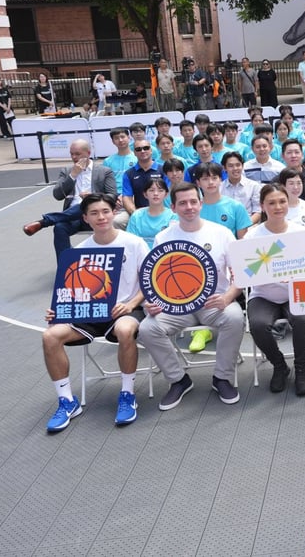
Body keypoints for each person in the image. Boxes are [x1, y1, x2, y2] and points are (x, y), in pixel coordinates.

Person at [40, 193, 149, 432]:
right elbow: (70, 290)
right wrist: (57, 309)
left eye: (105, 212)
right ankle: (67, 401)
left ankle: (127, 394)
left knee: (124, 329)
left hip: (125, 309)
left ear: (113, 213)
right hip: (88, 313)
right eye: (94, 213)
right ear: (85, 218)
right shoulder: (79, 251)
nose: (101, 217)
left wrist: (132, 303)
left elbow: (148, 283)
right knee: (50, 336)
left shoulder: (134, 243)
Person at [138, 182, 246, 410]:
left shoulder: (221, 233)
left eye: (193, 201)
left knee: (235, 318)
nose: (189, 207)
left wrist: (227, 297)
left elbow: (242, 275)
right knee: (148, 328)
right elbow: (154, 281)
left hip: (213, 302)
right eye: (183, 203)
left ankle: (222, 378)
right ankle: (178, 380)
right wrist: (152, 303)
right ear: (174, 207)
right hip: (176, 307)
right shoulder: (163, 238)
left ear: (201, 203)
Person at [244, 184, 305, 395]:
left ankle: (301, 369)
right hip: (264, 294)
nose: (278, 207)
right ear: (262, 206)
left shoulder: (301, 232)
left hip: (299, 288)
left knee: (301, 319)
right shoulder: (252, 236)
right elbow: (247, 272)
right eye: (271, 203)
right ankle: (279, 365)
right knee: (257, 324)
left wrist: (296, 277)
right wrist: (269, 275)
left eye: (282, 201)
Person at [23, 139, 117, 261]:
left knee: (84, 205)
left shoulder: (104, 171)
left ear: (88, 153)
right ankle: (65, 267)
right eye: (71, 154)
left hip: (95, 215)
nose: (74, 157)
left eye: (77, 154)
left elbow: (112, 195)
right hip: (72, 217)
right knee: (59, 227)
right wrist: (73, 175)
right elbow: (57, 195)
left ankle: (44, 222)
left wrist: (93, 197)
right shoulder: (67, 171)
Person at [126, 177, 176, 248]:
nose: (156, 194)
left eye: (160, 190)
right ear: (145, 194)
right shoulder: (136, 216)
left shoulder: (173, 216)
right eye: (151, 190)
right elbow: (130, 241)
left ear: (166, 194)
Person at [121, 138, 163, 213]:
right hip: (138, 211)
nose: (142, 151)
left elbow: (168, 195)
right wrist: (136, 214)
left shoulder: (163, 170)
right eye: (138, 149)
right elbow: (127, 198)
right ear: (134, 152)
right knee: (118, 221)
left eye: (146, 148)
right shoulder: (128, 174)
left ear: (151, 150)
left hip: (162, 211)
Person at [221, 152, 262, 221]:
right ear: (224, 168)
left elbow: (258, 211)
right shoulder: (219, 188)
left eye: (238, 165)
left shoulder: (253, 186)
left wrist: (244, 226)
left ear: (242, 166)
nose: (235, 168)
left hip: (249, 225)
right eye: (231, 166)